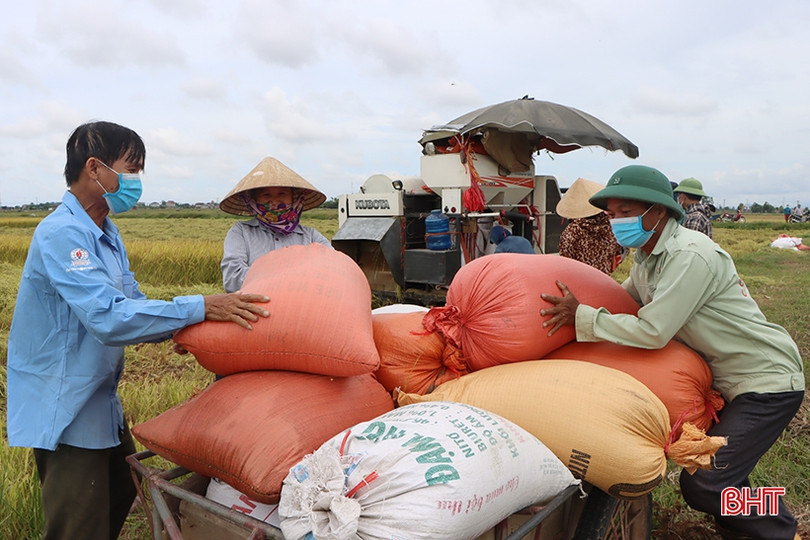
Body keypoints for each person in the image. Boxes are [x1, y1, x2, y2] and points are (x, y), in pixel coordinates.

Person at [5, 121, 271, 540]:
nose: (136, 181)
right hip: (67, 406)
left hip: (99, 401)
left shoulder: (108, 234)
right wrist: (199, 307)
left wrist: (184, 330)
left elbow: (133, 301)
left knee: (117, 498)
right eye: (131, 169)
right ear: (95, 168)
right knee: (78, 526)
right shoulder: (62, 234)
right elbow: (109, 318)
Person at [540, 165, 805, 540]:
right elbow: (624, 300)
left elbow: (653, 331)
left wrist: (582, 317)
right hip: (732, 381)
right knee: (726, 474)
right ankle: (748, 530)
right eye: (612, 214)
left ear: (658, 211)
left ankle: (782, 528)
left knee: (706, 483)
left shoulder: (689, 256)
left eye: (626, 211)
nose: (617, 222)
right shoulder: (649, 257)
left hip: (767, 383)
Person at [219, 157, 332, 293]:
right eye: (266, 195)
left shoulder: (311, 236)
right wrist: (291, 280)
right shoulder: (241, 232)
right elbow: (233, 279)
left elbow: (332, 268)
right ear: (253, 201)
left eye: (282, 194)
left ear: (294, 199)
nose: (275, 201)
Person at [556, 177, 625, 274]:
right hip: (607, 280)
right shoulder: (611, 227)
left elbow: (566, 263)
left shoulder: (572, 231)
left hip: (583, 282)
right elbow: (620, 253)